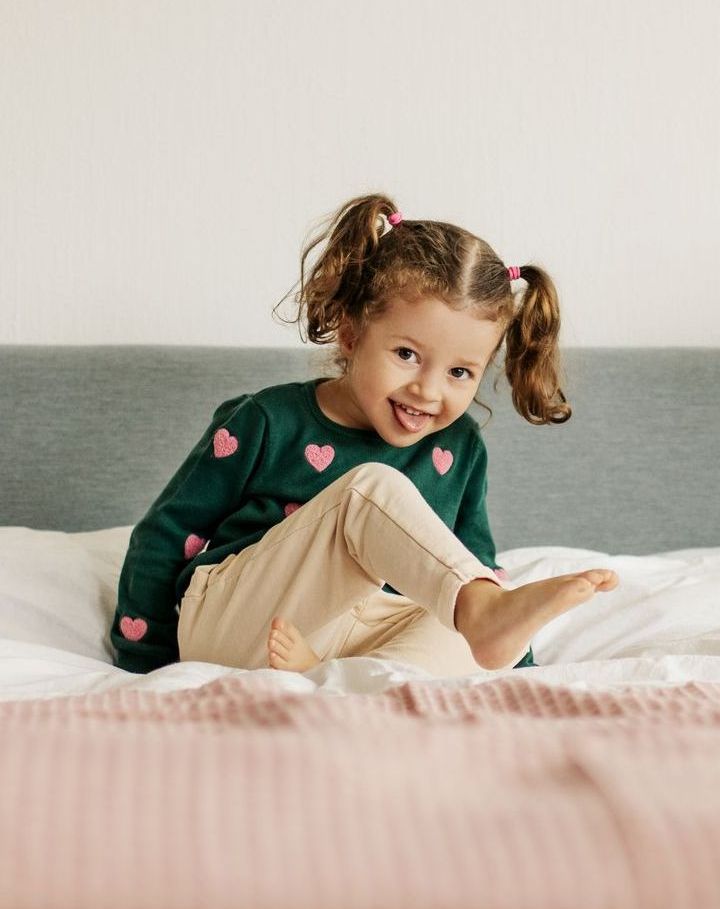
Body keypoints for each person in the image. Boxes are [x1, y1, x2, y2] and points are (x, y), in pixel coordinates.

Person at [110, 193, 619, 678]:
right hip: (243, 625)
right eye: (407, 355)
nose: (427, 390)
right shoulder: (266, 421)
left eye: (460, 373)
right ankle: (457, 626)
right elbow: (166, 535)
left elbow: (470, 560)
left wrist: (514, 657)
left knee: (461, 635)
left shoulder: (459, 447)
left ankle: (343, 681)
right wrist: (146, 665)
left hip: (350, 640)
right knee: (368, 490)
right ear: (352, 335)